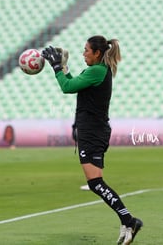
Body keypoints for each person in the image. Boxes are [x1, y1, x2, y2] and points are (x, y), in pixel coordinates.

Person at [42, 36, 143, 244]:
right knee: (96, 182)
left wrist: (56, 67)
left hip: (92, 132)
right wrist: (63, 66)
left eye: (86, 50)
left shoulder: (97, 71)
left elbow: (67, 87)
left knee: (95, 183)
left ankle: (129, 220)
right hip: (93, 130)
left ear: (97, 53)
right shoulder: (96, 70)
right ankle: (127, 221)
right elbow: (72, 83)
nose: (83, 53)